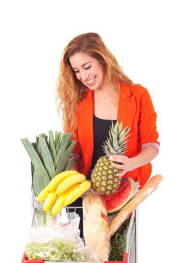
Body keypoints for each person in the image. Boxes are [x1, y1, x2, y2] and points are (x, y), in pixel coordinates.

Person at [56, 32, 160, 234]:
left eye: (87, 67)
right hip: (86, 191)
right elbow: (74, 152)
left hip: (125, 187)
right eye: (77, 70)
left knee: (116, 254)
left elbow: (152, 146)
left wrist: (131, 163)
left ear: (103, 60)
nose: (83, 76)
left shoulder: (138, 95)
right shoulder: (78, 102)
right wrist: (75, 182)